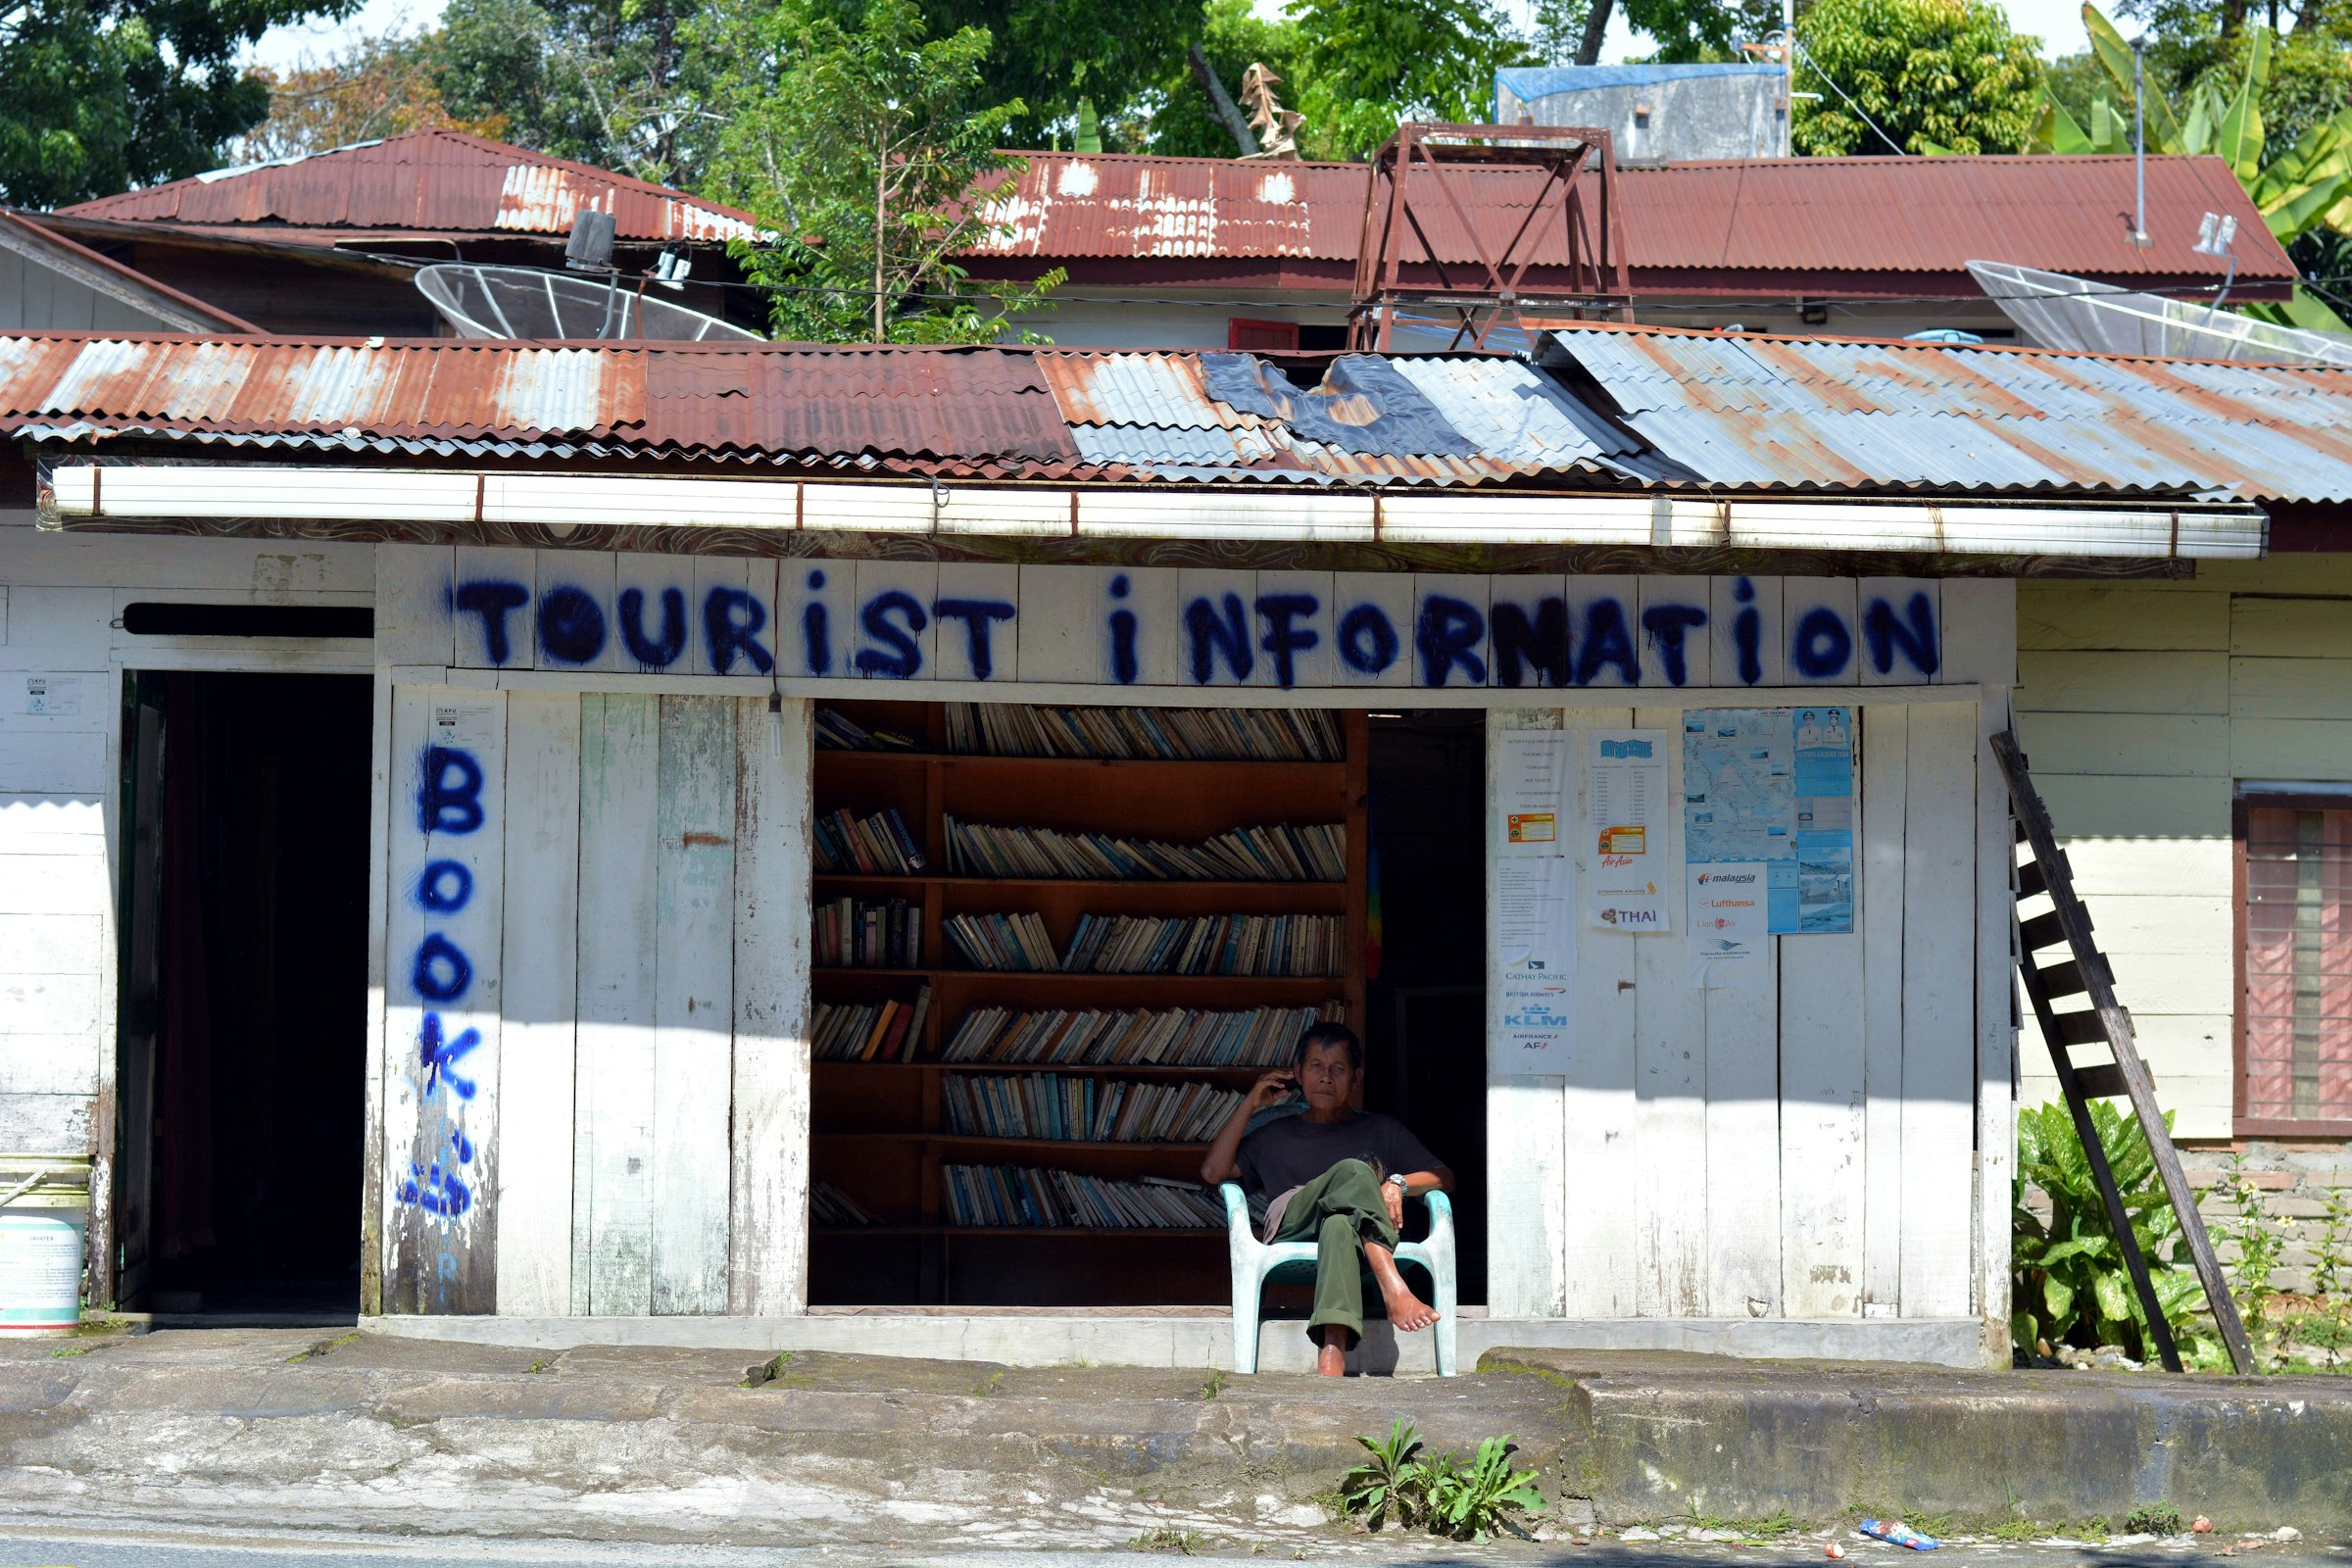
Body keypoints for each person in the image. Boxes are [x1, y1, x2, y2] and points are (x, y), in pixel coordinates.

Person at [1199, 1021, 1450, 1377]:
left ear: (1356, 1077)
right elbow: (1213, 1172)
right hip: (1293, 1221)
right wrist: (1250, 1103)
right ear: (1298, 1073)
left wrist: (1398, 1184)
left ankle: (1331, 1354)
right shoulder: (1275, 1133)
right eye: (1316, 1066)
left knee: (1338, 1224)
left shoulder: (1380, 1129)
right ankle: (1392, 1282)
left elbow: (1444, 1176)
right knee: (1354, 1170)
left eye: (1338, 1069)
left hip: (1350, 1236)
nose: (1326, 1077)